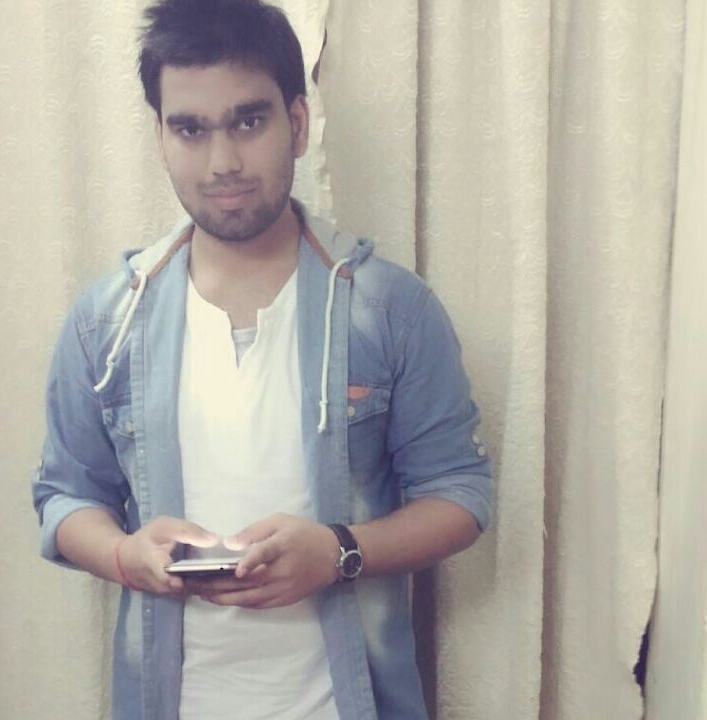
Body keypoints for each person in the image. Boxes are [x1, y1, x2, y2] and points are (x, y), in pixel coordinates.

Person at [32, 1, 493, 719]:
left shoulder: (390, 310)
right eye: (191, 129)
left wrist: (337, 552)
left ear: (298, 123)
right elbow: (65, 497)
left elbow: (460, 495)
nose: (223, 163)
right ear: (160, 135)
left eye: (248, 121)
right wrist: (127, 557)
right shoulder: (106, 322)